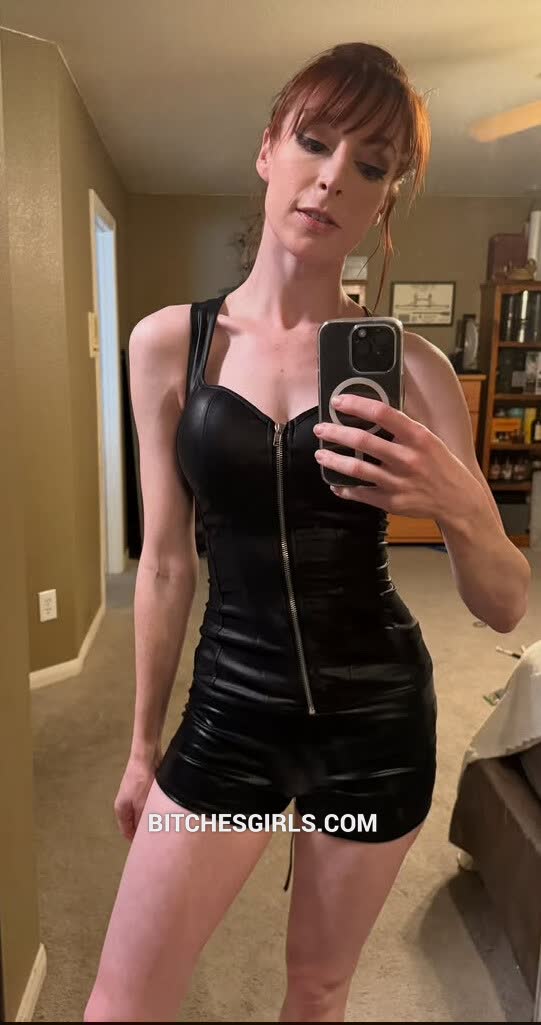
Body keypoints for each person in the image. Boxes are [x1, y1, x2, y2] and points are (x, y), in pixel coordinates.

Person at [84, 41, 530, 1023]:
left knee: (318, 991)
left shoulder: (415, 370)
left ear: (385, 199)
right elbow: (165, 564)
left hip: (375, 724)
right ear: (267, 150)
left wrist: (454, 501)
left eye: (370, 164)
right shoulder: (170, 344)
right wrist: (140, 744)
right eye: (314, 141)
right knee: (121, 1002)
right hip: (229, 717)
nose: (333, 177)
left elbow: (503, 605)